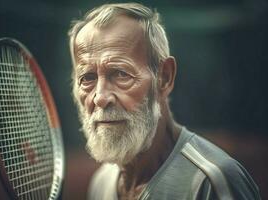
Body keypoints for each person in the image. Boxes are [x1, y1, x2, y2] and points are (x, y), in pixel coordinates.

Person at [68, 3, 261, 200]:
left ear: (164, 77)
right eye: (87, 78)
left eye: (120, 74)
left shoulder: (210, 183)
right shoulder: (101, 183)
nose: (100, 97)